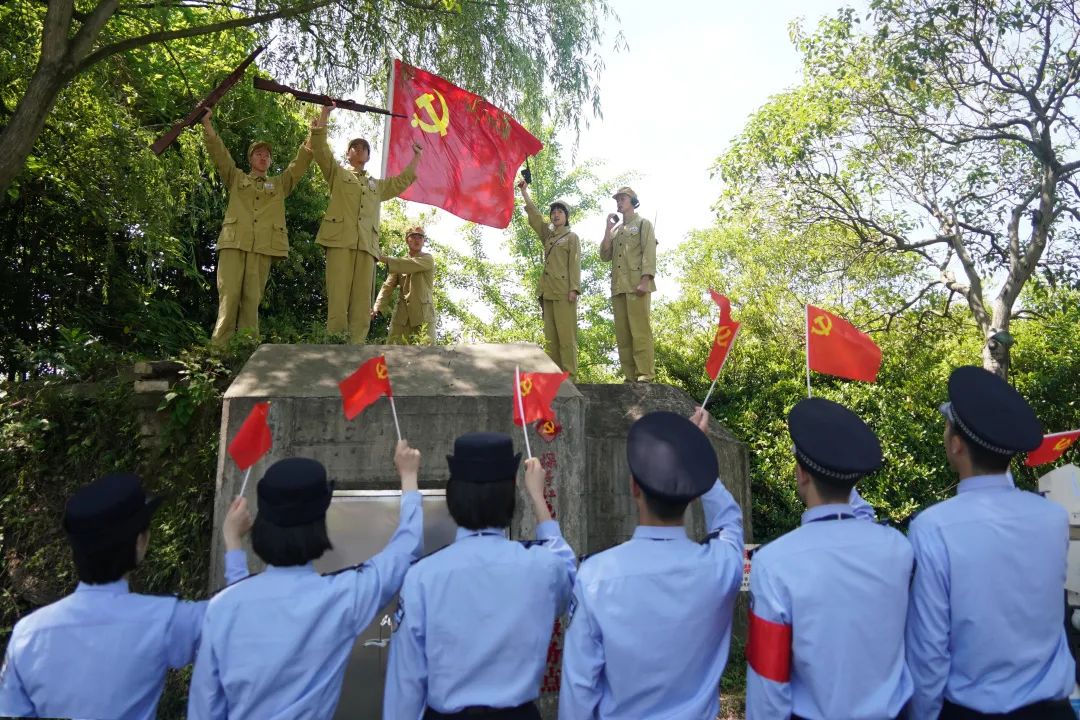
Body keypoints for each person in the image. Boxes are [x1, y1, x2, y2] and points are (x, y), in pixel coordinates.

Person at [187, 440, 424, 719]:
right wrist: (409, 477)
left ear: (263, 523)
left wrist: (233, 544)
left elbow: (205, 708)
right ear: (318, 525)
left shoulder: (221, 609)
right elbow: (406, 548)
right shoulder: (343, 597)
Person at [0, 473, 251, 718]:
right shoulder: (165, 619)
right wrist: (232, 540)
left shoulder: (27, 634)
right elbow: (239, 619)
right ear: (139, 542)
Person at [906, 366, 1075, 719]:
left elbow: (929, 652)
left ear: (956, 444)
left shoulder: (933, 527)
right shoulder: (1052, 518)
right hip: (1052, 711)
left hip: (970, 712)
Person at [559, 408, 743, 719]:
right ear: (693, 494)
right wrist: (694, 454)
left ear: (634, 487)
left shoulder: (595, 576)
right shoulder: (721, 567)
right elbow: (729, 519)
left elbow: (579, 691)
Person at [383, 432, 576, 720]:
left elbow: (405, 683)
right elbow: (568, 571)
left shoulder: (423, 576)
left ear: (454, 495)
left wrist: (409, 480)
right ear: (511, 495)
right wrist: (537, 495)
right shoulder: (542, 567)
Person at [744, 398, 913, 720]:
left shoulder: (775, 563)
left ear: (802, 474)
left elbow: (768, 682)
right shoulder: (897, 548)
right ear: (856, 482)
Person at [310, 104, 423, 343]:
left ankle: (356, 347)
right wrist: (325, 114)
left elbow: (401, 181)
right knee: (338, 298)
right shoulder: (338, 174)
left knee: (362, 302)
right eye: (355, 147)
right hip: (340, 241)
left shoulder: (376, 185)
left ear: (369, 156)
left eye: (364, 148)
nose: (359, 150)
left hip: (366, 246)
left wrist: (417, 157)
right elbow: (320, 150)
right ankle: (336, 345)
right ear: (347, 153)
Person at [201, 108, 313, 345]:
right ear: (251, 158)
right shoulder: (236, 177)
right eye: (258, 154)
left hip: (262, 247)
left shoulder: (279, 184)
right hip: (234, 242)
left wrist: (315, 134)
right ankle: (219, 352)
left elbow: (299, 165)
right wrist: (207, 124)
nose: (263, 158)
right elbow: (219, 154)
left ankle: (246, 351)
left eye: (267, 155)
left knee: (252, 300)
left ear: (270, 161)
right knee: (229, 297)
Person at [517, 180, 581, 377]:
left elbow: (575, 264)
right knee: (550, 338)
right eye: (553, 212)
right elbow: (535, 218)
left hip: (564, 292)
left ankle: (569, 376)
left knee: (566, 337)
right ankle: (554, 376)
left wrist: (574, 289)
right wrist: (524, 192)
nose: (555, 215)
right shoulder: (548, 236)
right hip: (547, 292)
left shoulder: (571, 237)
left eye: (559, 212)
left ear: (566, 216)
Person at [599, 186, 656, 382]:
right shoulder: (615, 230)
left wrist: (645, 280)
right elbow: (604, 255)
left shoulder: (643, 224)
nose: (619, 202)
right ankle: (630, 376)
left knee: (640, 331)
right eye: (617, 199)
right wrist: (607, 228)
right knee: (623, 334)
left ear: (632, 201)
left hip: (637, 285)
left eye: (622, 198)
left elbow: (649, 252)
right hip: (618, 287)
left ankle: (645, 374)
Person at [372, 226, 437, 345]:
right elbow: (388, 286)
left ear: (423, 241)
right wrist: (377, 307)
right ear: (407, 240)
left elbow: (408, 264)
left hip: (423, 316)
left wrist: (383, 258)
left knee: (427, 355)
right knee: (392, 352)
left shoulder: (427, 259)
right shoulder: (399, 263)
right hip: (401, 317)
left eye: (420, 237)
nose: (417, 240)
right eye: (413, 236)